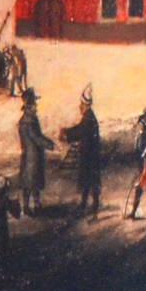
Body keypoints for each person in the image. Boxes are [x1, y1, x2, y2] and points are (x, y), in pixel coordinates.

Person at [62, 85, 103, 216]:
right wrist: (68, 131)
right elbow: (80, 128)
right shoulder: (88, 117)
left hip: (89, 156)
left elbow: (80, 131)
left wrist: (67, 134)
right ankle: (86, 203)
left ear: (86, 105)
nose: (79, 106)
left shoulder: (88, 118)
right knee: (89, 181)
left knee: (90, 181)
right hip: (90, 155)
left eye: (81, 104)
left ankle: (92, 205)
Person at [17, 87, 55, 214]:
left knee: (32, 182)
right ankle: (29, 207)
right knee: (31, 182)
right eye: (34, 104)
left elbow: (39, 136)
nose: (36, 107)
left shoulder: (29, 119)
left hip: (30, 155)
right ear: (29, 106)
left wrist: (49, 142)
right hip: (32, 157)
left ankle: (34, 205)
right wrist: (49, 145)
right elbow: (36, 138)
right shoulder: (28, 122)